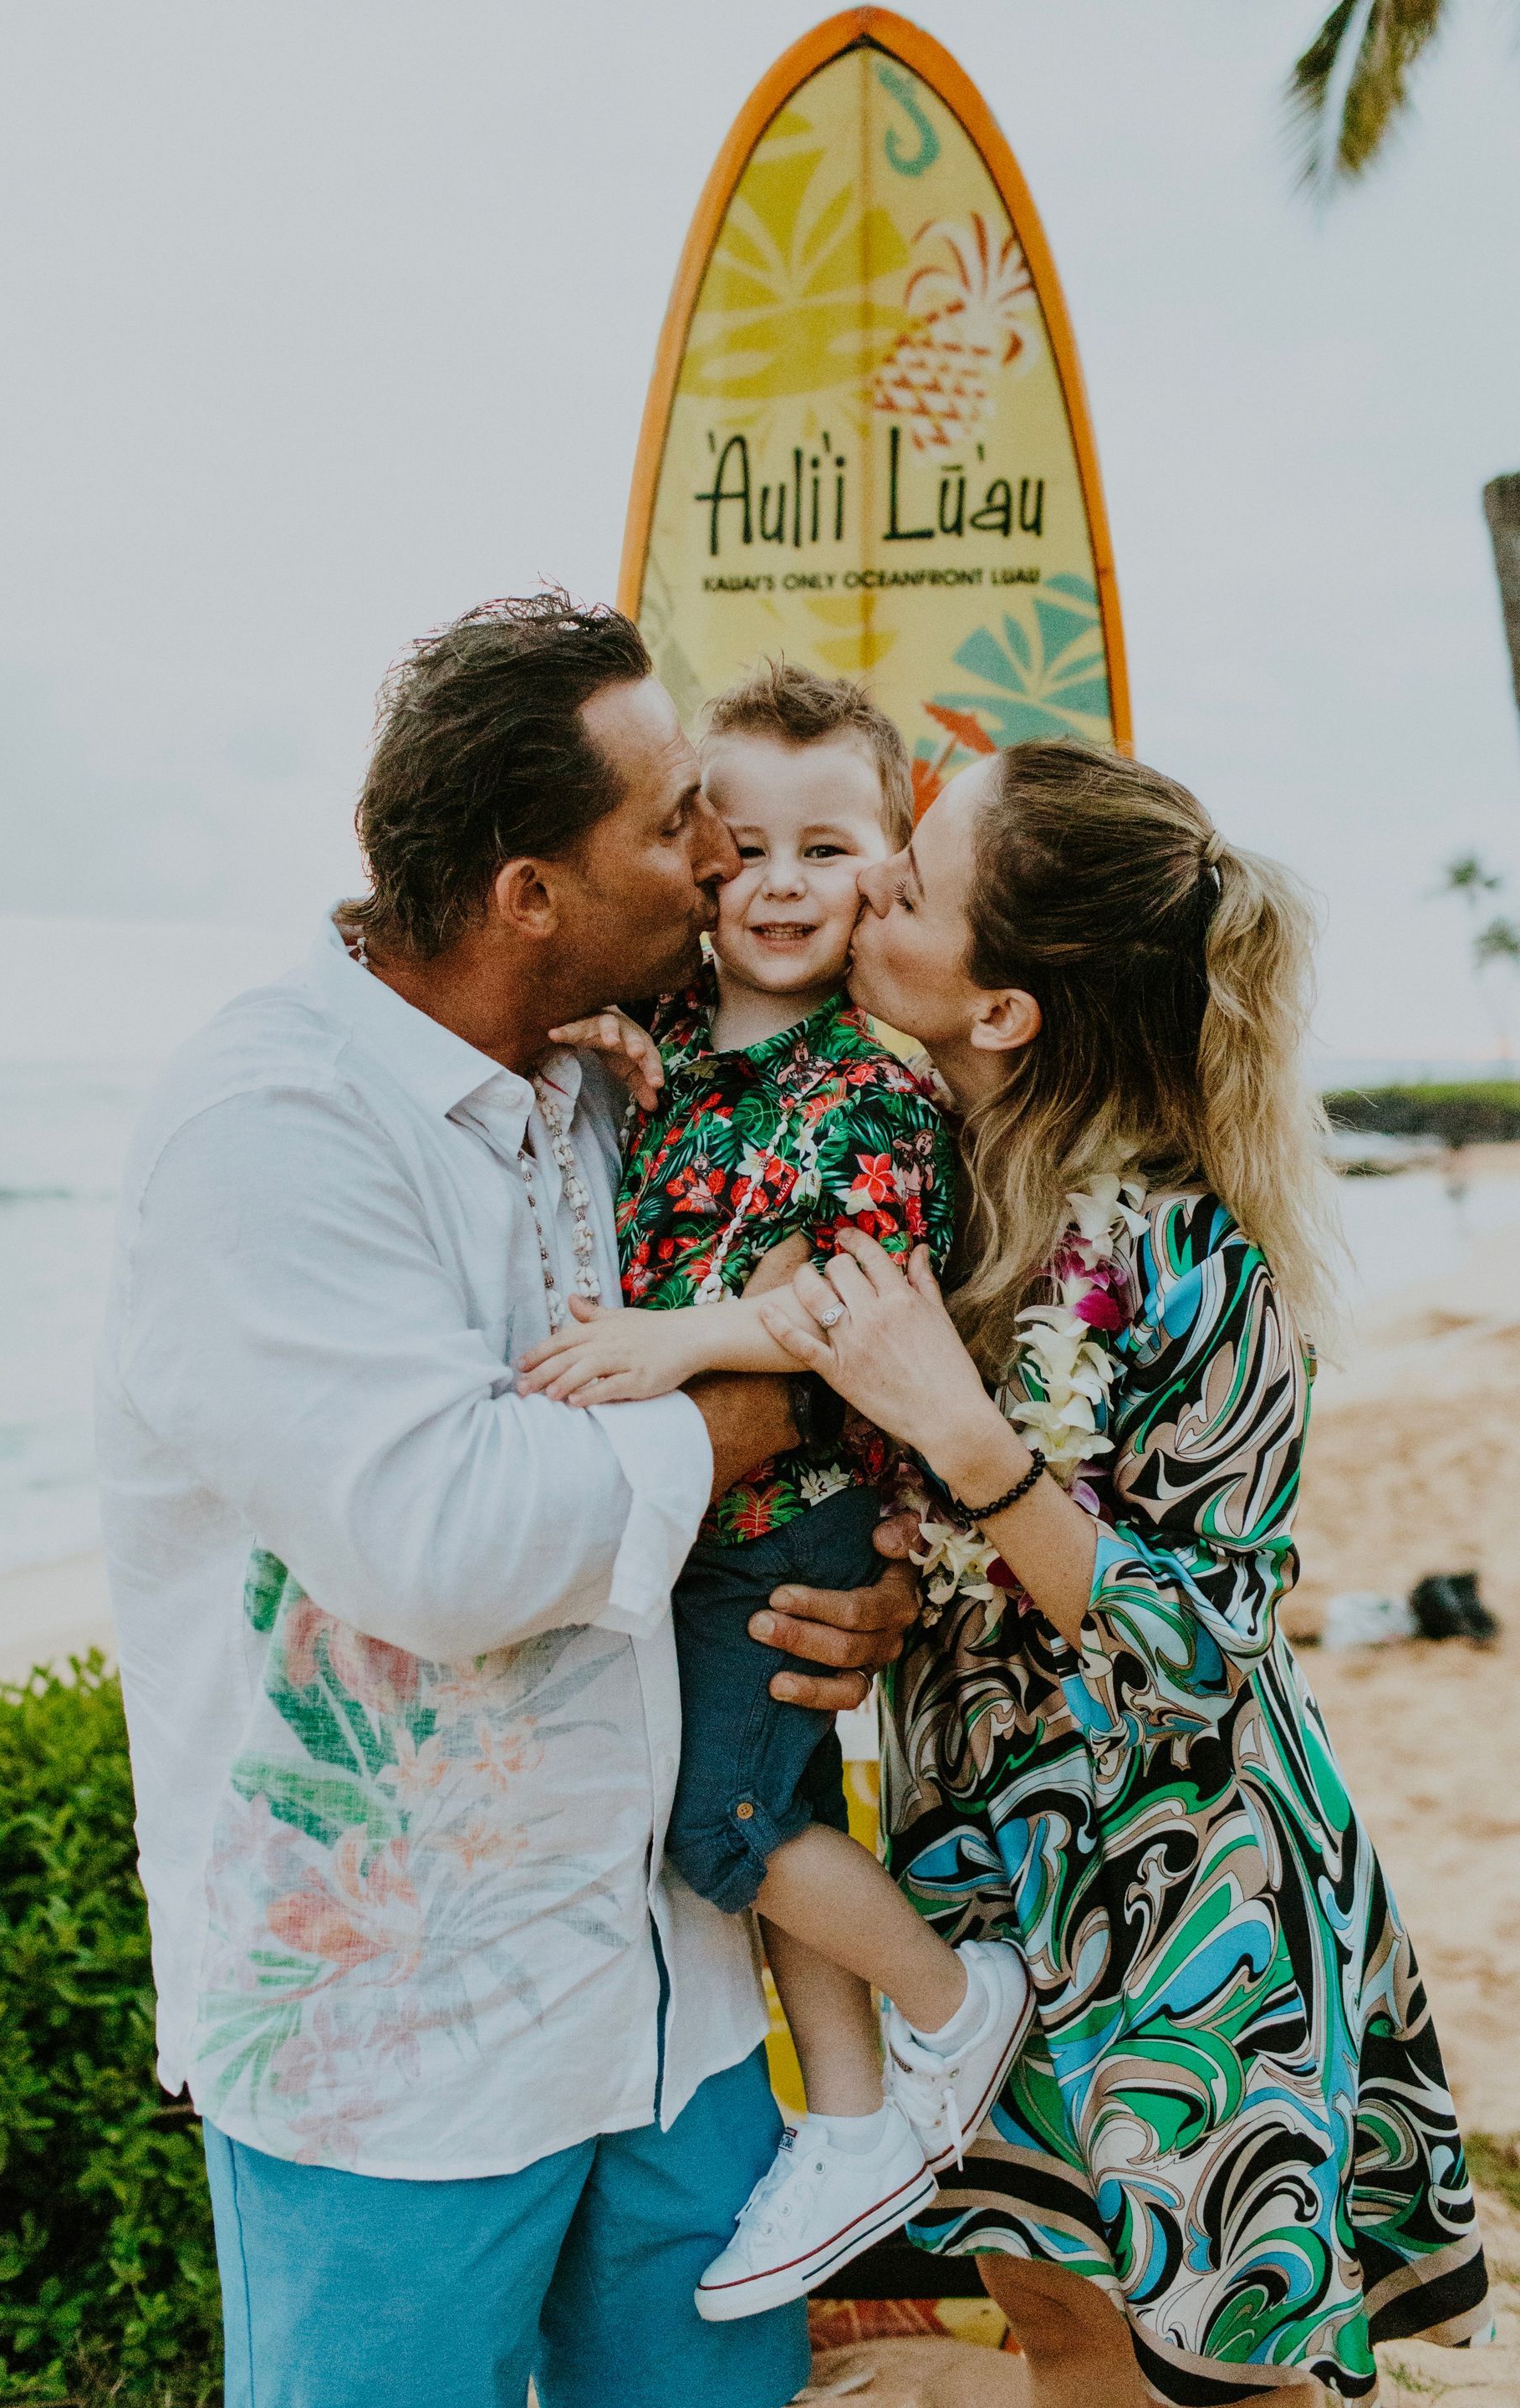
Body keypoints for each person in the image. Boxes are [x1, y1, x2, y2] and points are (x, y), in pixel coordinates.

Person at [95, 594, 923, 2408]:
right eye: (673, 825)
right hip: (395, 2051)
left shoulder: (611, 1083)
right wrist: (766, 1406)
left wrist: (875, 1584)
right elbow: (448, 1547)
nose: (719, 863)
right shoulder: (272, 1126)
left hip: (674, 2002)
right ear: (527, 891)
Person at [754, 740, 1492, 2407]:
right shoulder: (936, 1196)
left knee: (1223, 2376)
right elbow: (953, 1561)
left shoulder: (1191, 1263)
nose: (870, 882)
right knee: (1059, 2327)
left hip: (1182, 1901)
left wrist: (969, 1440)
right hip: (981, 1886)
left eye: (914, 879)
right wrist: (892, 1596)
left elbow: (1208, 1639)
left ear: (1003, 1008)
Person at [518, 661, 1030, 2320]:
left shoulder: (873, 1088)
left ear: (891, 864)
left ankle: (950, 2004)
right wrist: (597, 1030)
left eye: (835, 847)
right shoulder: (673, 1037)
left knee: (717, 1821)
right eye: (750, 847)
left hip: (789, 1519)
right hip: (692, 1528)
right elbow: (664, 1119)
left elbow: (854, 1301)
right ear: (698, 861)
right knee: (773, 1809)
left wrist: (676, 1342)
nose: (789, 882)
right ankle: (859, 2120)